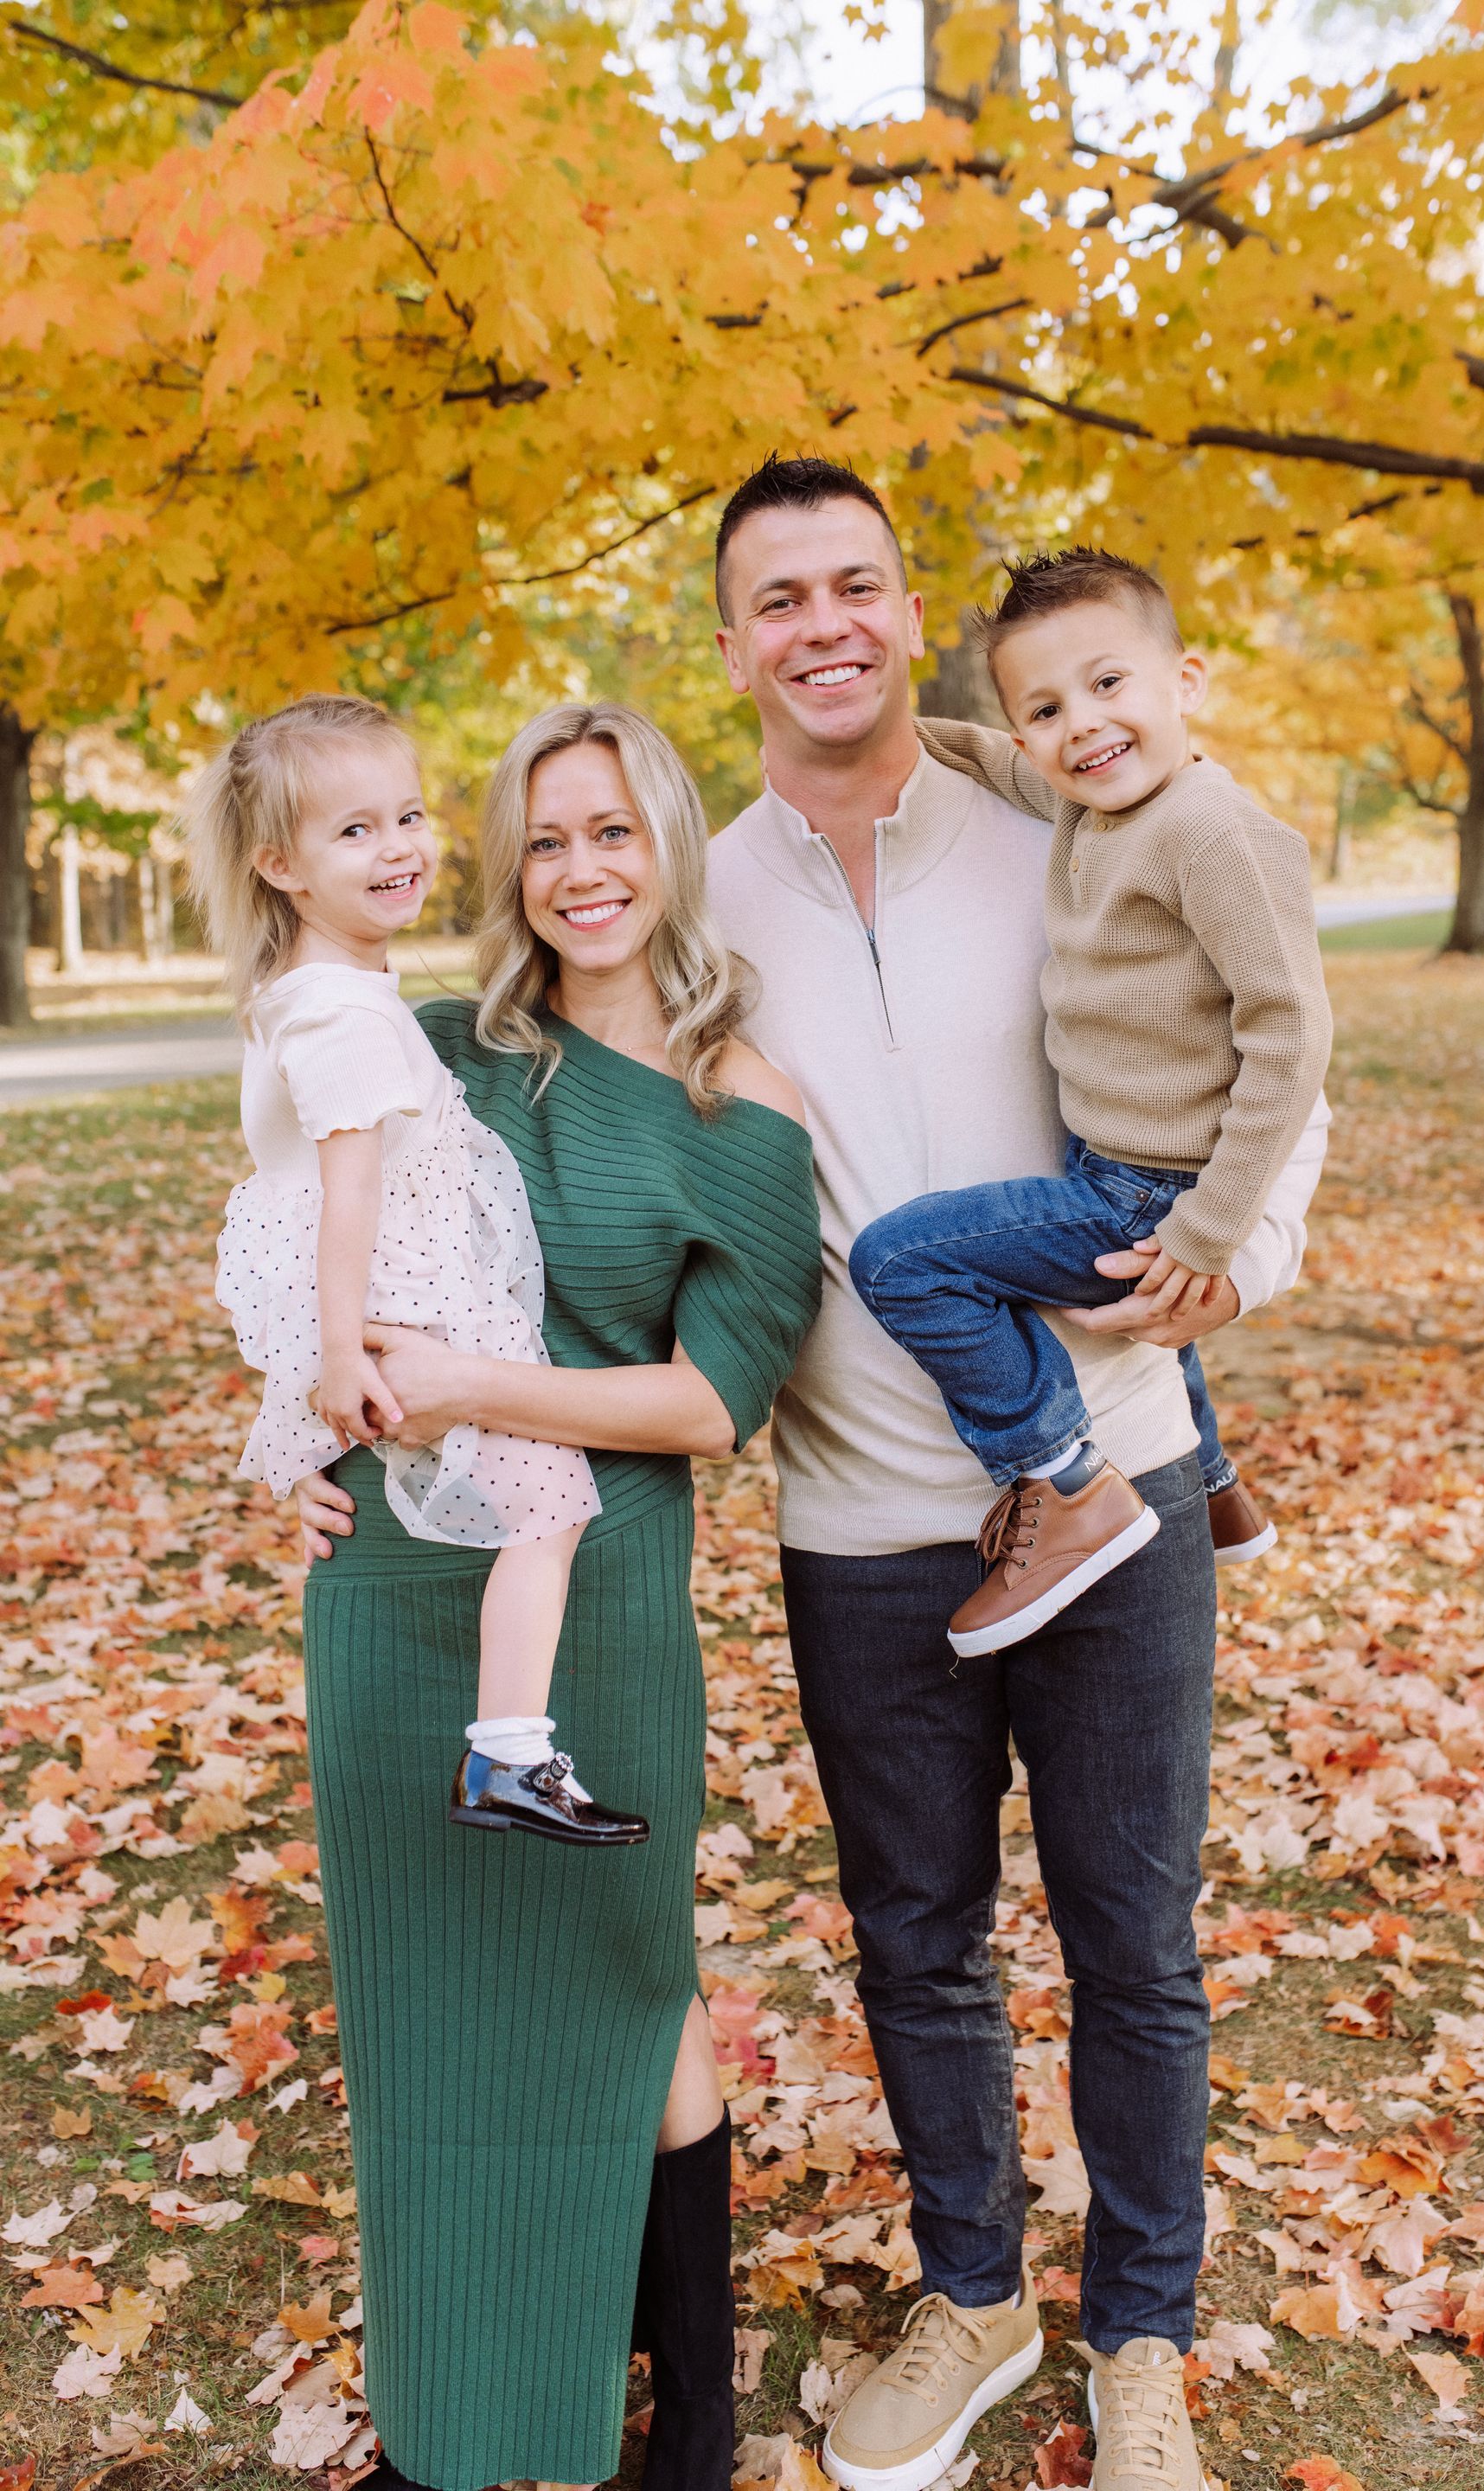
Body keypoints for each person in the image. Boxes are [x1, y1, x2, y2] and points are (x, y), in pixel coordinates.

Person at [705, 457, 1327, 2491]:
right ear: (733, 645)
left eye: (855, 583)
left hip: (1118, 1478)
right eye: (778, 595)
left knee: (1135, 1939)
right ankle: (970, 2288)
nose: (823, 623)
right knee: (918, 1937)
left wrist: (1246, 1252)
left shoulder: (1054, 815)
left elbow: (1264, 1061)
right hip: (863, 1519)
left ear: (904, 610)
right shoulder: (693, 893)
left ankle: (1141, 2331)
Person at [291, 701, 821, 2491]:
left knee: (628, 1977)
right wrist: (295, 1434)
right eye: (543, 838)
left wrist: (472, 1390)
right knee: (426, 1996)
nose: (580, 870)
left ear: (668, 840)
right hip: (395, 1571)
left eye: (611, 831)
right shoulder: (431, 1047)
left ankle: (697, 2408)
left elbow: (712, 1401)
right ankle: (457, 2399)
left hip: (591, 1578)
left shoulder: (741, 1105)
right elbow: (309, 1253)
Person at [848, 548, 1332, 1658]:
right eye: (1049, 709)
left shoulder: (1214, 831)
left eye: (1110, 686)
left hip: (1152, 1192)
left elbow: (1293, 1033)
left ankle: (1064, 1478)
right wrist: (912, 735)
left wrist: (1213, 1233)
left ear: (1187, 683)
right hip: (1111, 1151)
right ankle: (1210, 1482)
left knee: (904, 1262)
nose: (1085, 727)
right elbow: (1019, 773)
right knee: (1076, 1227)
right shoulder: (1094, 805)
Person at [192, 693, 639, 1849]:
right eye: (354, 832)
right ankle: (510, 1754)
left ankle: (511, 1752)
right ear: (281, 864)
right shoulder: (340, 1015)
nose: (397, 849)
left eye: (406, 816)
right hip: (407, 1306)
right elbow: (344, 1198)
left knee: (533, 1502)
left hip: (390, 1301)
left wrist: (312, 1415)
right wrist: (342, 1360)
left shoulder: (318, 992)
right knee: (550, 1506)